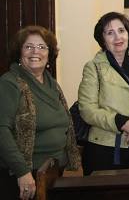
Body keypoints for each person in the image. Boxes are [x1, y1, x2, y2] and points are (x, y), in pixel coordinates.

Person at [0, 26, 80, 199]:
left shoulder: (52, 83)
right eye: (28, 46)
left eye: (42, 47)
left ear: (49, 54)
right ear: (19, 53)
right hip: (25, 176)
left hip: (54, 172)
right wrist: (22, 172)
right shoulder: (9, 83)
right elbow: (2, 130)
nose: (35, 51)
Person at [78, 12, 129, 175]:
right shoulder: (94, 67)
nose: (117, 37)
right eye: (110, 33)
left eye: (121, 31)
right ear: (102, 39)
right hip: (106, 147)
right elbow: (87, 110)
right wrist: (124, 123)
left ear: (128, 34)